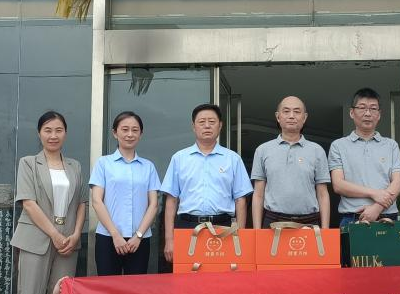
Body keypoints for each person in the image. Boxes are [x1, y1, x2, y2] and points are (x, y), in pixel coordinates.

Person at [10, 110, 87, 294]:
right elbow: (28, 203)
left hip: (67, 243)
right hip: (36, 239)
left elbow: (81, 203)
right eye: (48, 130)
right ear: (39, 133)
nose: (53, 135)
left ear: (65, 133)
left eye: (58, 130)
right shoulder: (29, 163)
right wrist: (54, 234)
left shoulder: (75, 166)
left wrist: (75, 233)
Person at [161, 103, 254, 264]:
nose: (207, 126)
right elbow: (171, 201)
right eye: (202, 122)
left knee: (221, 276)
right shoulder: (179, 158)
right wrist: (169, 240)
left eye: (212, 121)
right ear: (193, 126)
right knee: (187, 276)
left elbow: (240, 200)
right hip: (187, 227)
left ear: (220, 126)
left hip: (223, 227)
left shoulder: (233, 159)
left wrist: (240, 235)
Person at [89, 111, 161, 276]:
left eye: (135, 130)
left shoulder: (148, 167)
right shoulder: (103, 163)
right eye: (125, 129)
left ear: (140, 134)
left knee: (135, 289)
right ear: (115, 133)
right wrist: (115, 235)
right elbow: (97, 201)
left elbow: (153, 204)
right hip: (108, 238)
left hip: (139, 240)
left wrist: (138, 235)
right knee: (108, 288)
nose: (130, 134)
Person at [251, 95, 331, 228]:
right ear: (278, 116)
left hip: (309, 222)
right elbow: (258, 194)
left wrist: (325, 230)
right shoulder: (263, 150)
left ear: (304, 117)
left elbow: (323, 194)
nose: (291, 116)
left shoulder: (317, 151)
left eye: (297, 112)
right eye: (286, 111)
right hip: (273, 221)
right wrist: (257, 231)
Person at [329, 87, 400, 226]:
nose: (368, 113)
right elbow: (338, 185)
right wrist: (373, 193)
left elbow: (398, 183)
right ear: (352, 112)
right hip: (352, 217)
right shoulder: (338, 146)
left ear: (379, 114)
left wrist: (377, 207)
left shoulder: (391, 145)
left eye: (373, 108)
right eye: (362, 108)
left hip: (387, 217)